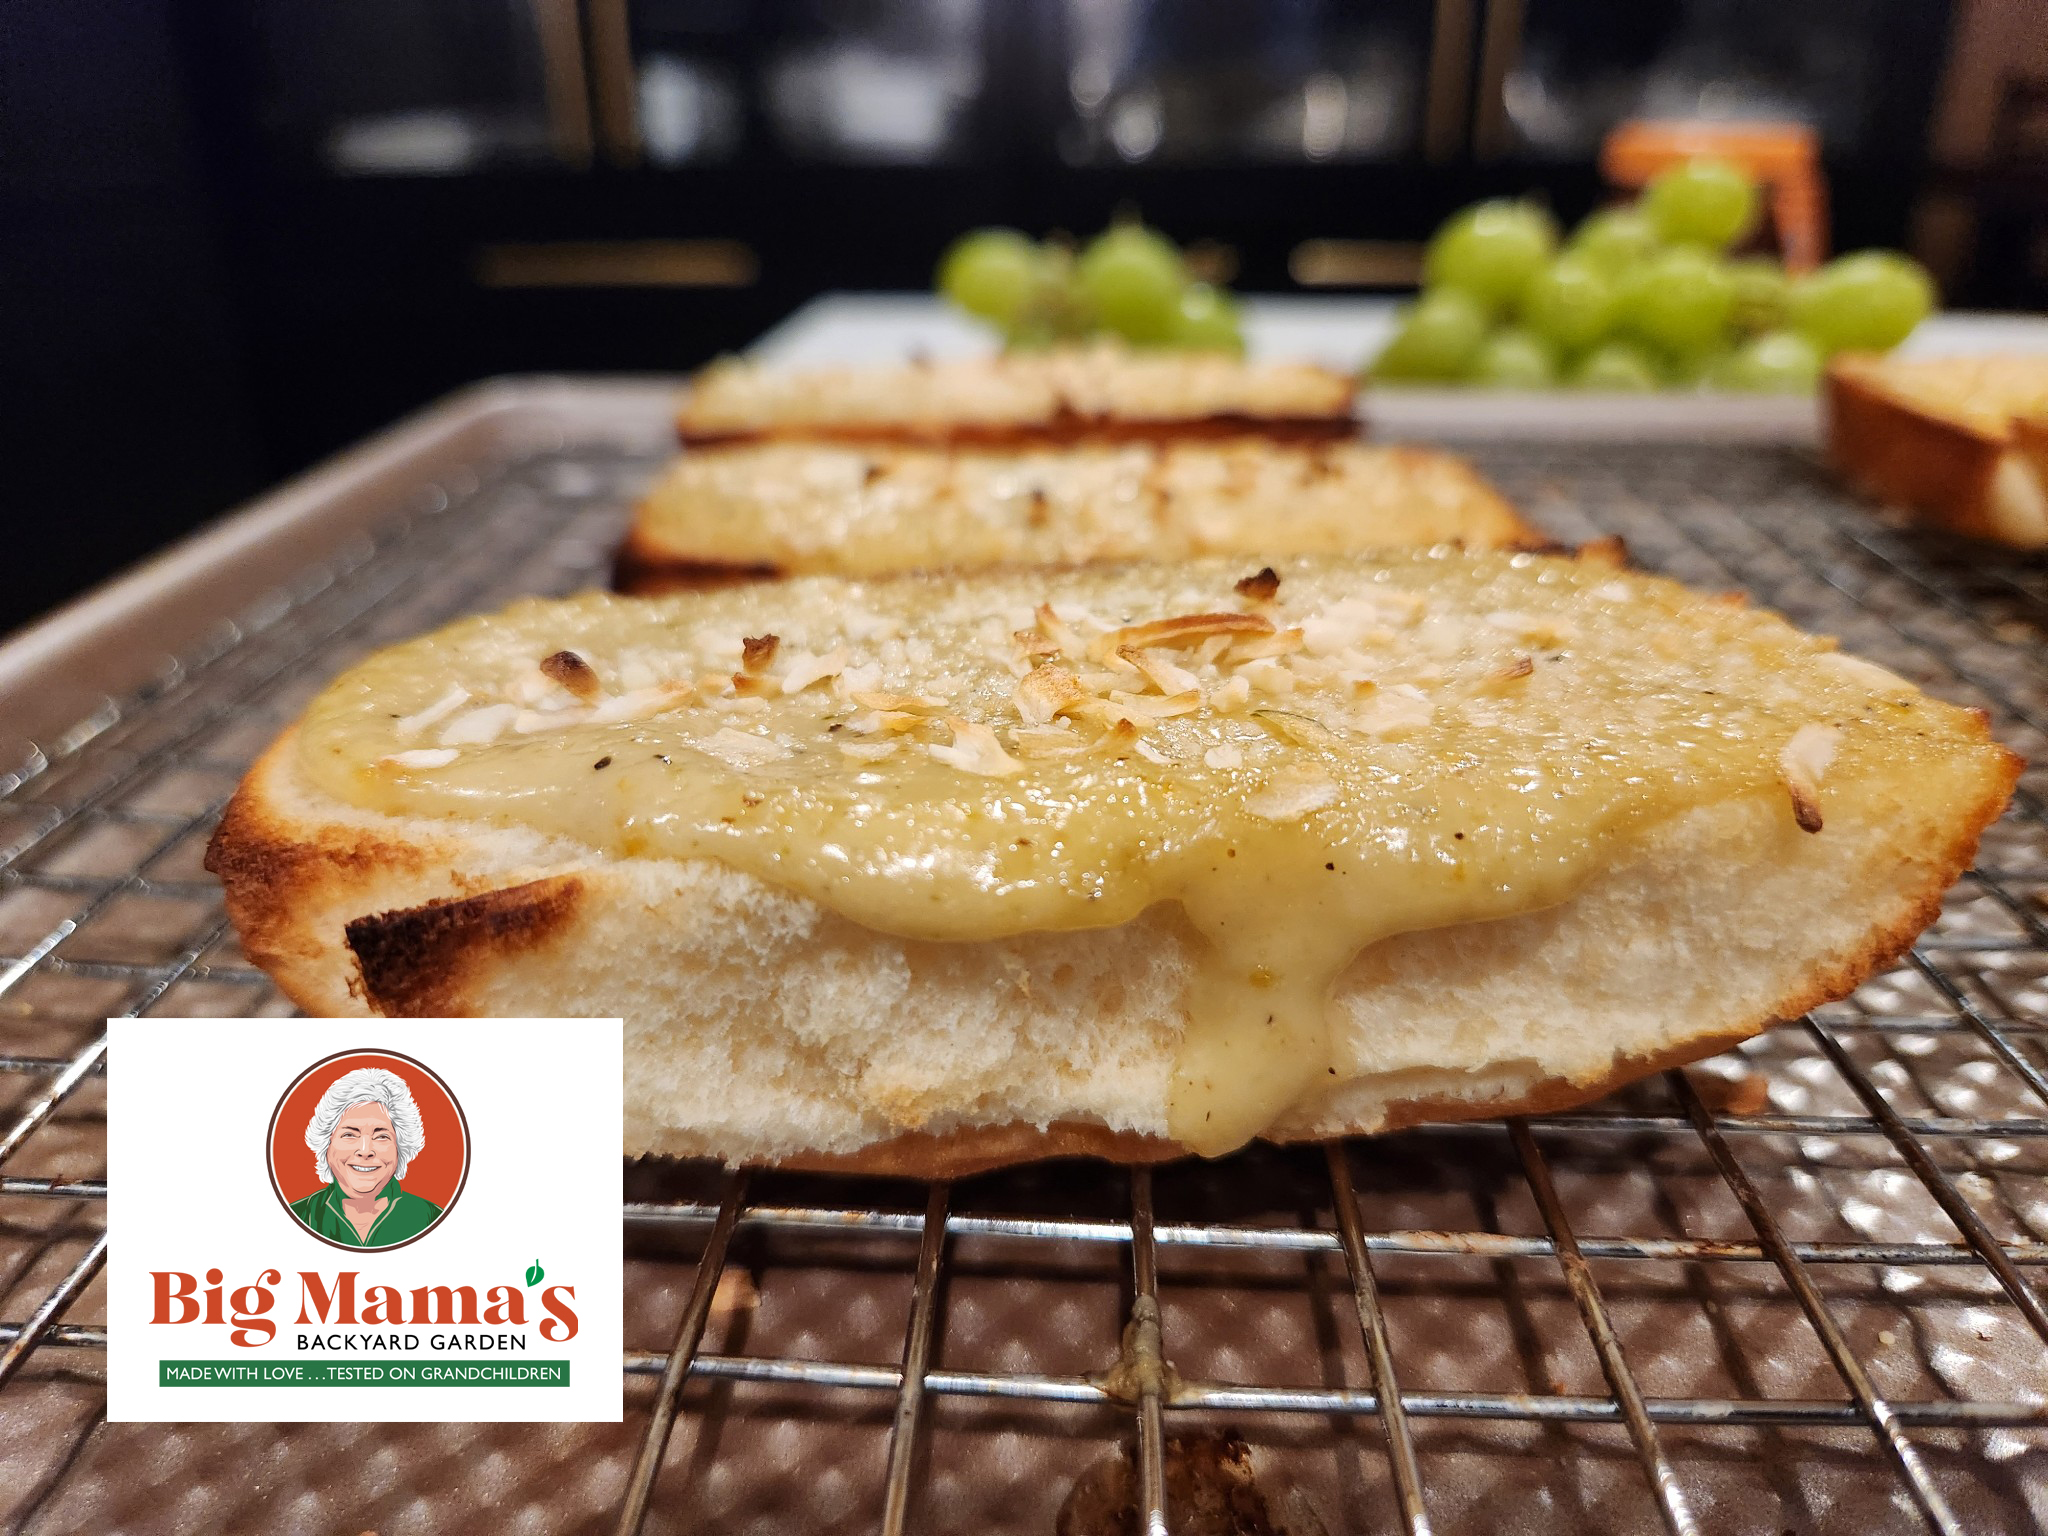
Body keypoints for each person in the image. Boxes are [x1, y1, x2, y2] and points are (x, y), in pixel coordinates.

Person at [287, 1066, 444, 1247]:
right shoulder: (295, 1217)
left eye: (381, 1136)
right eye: (349, 1135)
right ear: (326, 1144)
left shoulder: (433, 1219)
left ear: (401, 1147)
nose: (365, 1150)